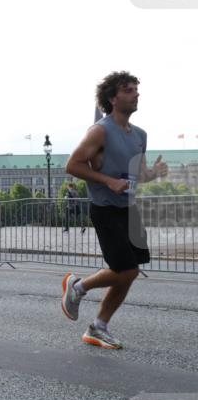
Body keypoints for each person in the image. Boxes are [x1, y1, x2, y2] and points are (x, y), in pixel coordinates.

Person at [61, 71, 168, 349]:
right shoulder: (100, 130)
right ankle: (77, 287)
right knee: (125, 268)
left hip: (128, 208)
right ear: (113, 98)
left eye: (136, 89)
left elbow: (138, 174)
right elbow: (73, 165)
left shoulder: (140, 135)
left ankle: (98, 327)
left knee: (131, 271)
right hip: (105, 208)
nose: (136, 93)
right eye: (128, 90)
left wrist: (153, 173)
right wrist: (108, 180)